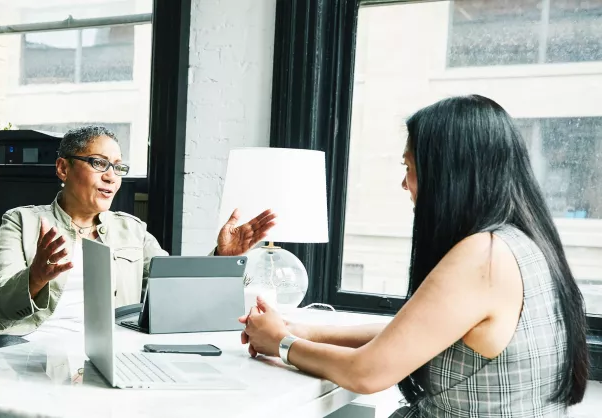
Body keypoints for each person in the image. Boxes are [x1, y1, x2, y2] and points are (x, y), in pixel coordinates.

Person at [239, 95, 589, 417]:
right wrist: (305, 331)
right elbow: (414, 334)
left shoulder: (484, 257)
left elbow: (367, 372)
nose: (404, 184)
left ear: (448, 174)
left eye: (408, 167)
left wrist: (281, 343)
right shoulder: (524, 243)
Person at [0, 125, 276, 349]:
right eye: (99, 163)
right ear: (63, 168)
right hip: (24, 343)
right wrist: (37, 276)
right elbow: (0, 303)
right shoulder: (22, 221)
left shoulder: (132, 229)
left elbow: (173, 287)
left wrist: (223, 258)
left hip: (105, 352)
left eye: (118, 167)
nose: (111, 176)